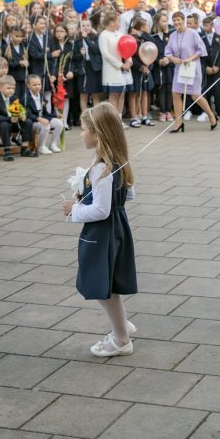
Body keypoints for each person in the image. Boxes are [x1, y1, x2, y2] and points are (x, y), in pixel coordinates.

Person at [63, 102, 138, 357]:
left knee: (101, 285)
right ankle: (121, 322)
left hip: (102, 233)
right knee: (106, 284)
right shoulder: (115, 161)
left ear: (98, 134)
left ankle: (121, 339)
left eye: (84, 129)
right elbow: (129, 195)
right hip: (117, 230)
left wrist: (74, 209)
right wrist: (88, 192)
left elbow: (101, 211)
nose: (81, 133)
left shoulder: (102, 168)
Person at [164, 11, 217, 133]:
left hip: (192, 68)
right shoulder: (172, 35)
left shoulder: (193, 33)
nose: (177, 22)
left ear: (183, 21)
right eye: (174, 20)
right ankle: (178, 122)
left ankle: (210, 115)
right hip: (179, 68)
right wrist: (172, 59)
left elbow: (201, 50)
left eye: (179, 20)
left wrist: (190, 58)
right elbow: (167, 52)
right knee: (176, 93)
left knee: (195, 95)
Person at [24, 74, 64, 155]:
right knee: (46, 125)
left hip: (42, 119)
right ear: (28, 85)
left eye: (39, 84)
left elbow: (45, 113)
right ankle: (41, 146)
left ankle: (53, 144)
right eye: (34, 85)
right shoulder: (26, 98)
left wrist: (56, 116)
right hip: (32, 121)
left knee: (59, 123)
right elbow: (28, 115)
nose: (37, 86)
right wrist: (39, 119)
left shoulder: (41, 95)